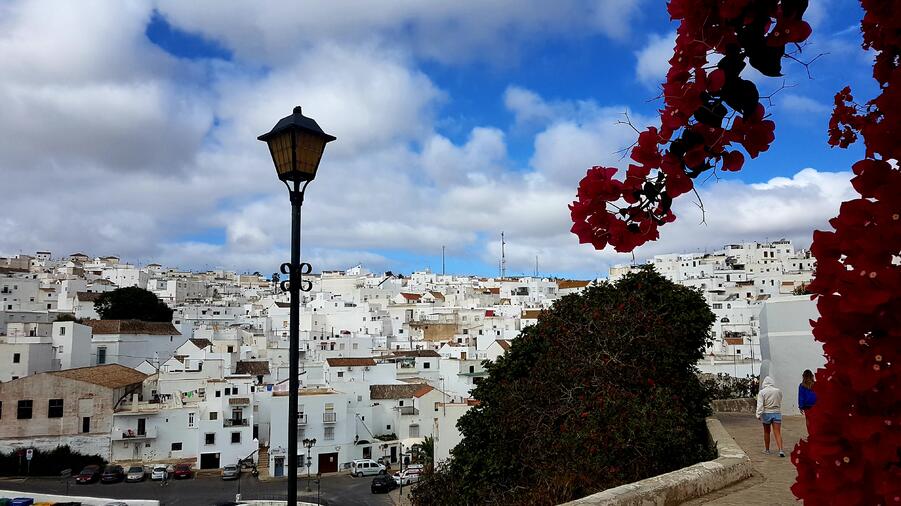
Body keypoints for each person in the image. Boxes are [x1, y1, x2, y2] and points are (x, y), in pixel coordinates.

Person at [756, 376, 785, 457]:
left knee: (766, 432)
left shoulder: (762, 392)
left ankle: (767, 449)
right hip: (777, 413)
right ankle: (781, 450)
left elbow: (760, 405)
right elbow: (780, 400)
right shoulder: (778, 391)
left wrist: (758, 414)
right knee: (777, 432)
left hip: (766, 413)